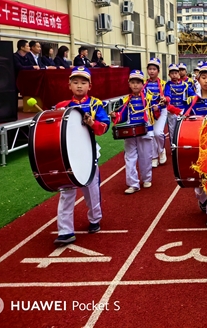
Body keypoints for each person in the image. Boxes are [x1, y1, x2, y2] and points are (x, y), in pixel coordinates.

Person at [53, 67, 110, 244]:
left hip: (89, 153)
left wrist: (93, 123)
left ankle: (95, 218)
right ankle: (65, 231)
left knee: (91, 190)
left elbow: (104, 127)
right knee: (66, 191)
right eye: (75, 82)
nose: (79, 86)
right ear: (69, 85)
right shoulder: (61, 106)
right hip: (68, 156)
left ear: (90, 86)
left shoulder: (96, 104)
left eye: (83, 83)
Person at [183, 61, 207, 227]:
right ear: (198, 79)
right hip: (195, 144)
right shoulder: (192, 100)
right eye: (203, 77)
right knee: (198, 184)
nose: (206, 81)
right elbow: (183, 118)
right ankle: (202, 199)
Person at [111, 70, 155, 194]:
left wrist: (157, 108)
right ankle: (133, 184)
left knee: (146, 157)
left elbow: (156, 113)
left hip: (146, 131)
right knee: (130, 158)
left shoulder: (149, 97)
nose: (135, 85)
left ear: (142, 84)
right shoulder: (125, 100)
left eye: (138, 82)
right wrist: (116, 116)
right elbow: (123, 116)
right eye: (133, 82)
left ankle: (146, 178)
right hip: (130, 132)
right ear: (129, 84)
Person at [144, 58, 168, 168]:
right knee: (150, 134)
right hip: (148, 112)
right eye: (150, 69)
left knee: (158, 133)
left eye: (154, 69)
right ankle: (154, 156)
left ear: (158, 71)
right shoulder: (144, 84)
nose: (152, 71)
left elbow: (167, 98)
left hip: (161, 111)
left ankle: (161, 150)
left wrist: (159, 106)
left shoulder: (163, 84)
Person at [164, 64, 195, 148]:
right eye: (172, 73)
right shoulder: (168, 85)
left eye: (176, 73)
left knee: (183, 129)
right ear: (169, 75)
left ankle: (183, 145)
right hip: (172, 111)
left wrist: (191, 99)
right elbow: (167, 95)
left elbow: (193, 94)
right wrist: (167, 99)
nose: (174, 75)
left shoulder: (185, 85)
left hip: (183, 111)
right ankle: (173, 147)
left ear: (178, 74)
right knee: (172, 130)